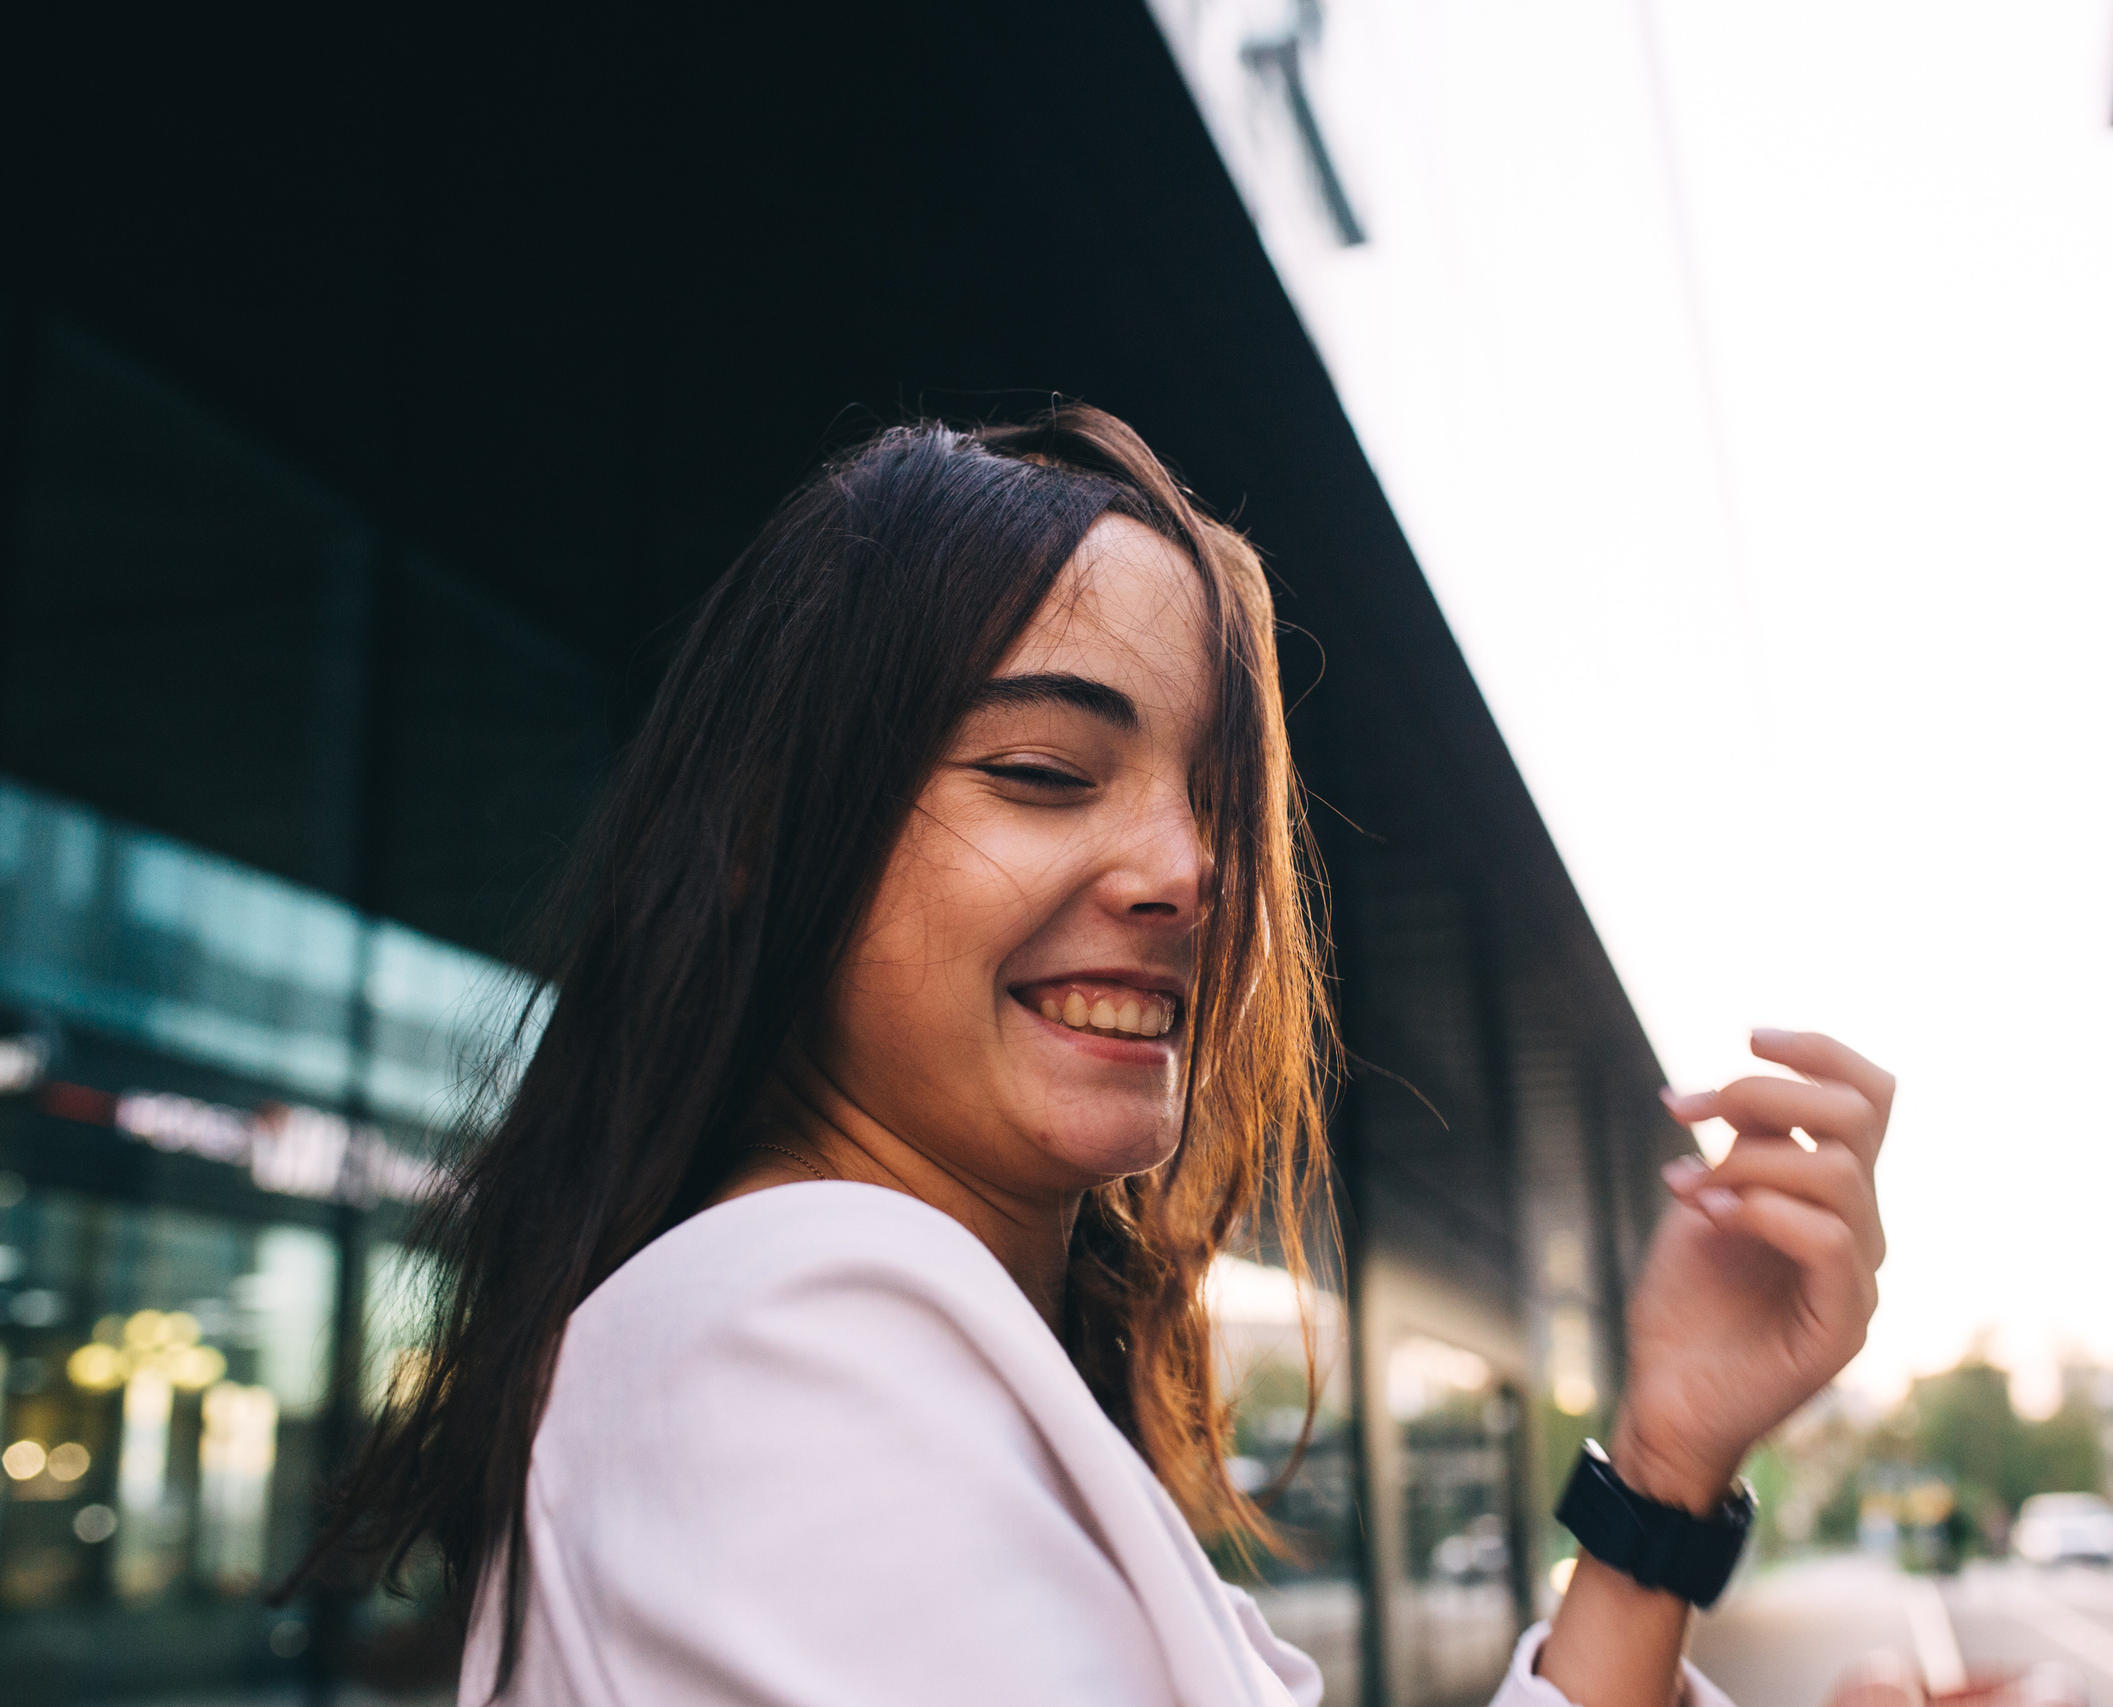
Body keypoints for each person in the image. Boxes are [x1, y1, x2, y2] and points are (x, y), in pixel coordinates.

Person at [309, 405, 1892, 1707]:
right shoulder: (789, 1318)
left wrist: (1667, 1465)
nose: (1188, 871)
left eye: (1216, 801)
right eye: (1045, 768)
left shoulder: (858, 1338)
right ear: (767, 842)